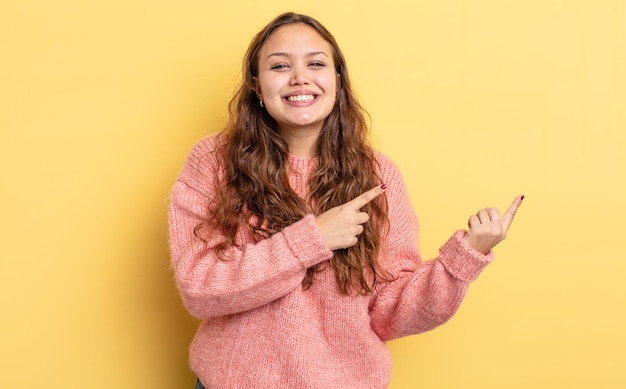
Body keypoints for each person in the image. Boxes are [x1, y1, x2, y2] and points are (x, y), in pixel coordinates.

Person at [168, 12, 523, 389]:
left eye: (316, 63)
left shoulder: (378, 176)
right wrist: (312, 239)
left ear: (338, 79)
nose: (300, 77)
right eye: (280, 65)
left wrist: (461, 260)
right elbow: (200, 288)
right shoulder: (213, 162)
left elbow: (391, 314)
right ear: (256, 85)